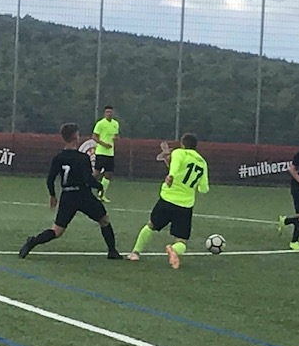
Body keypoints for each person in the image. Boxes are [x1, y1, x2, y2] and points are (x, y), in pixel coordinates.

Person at [19, 123, 122, 260]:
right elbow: (88, 179)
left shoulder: (59, 157)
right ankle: (112, 251)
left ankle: (32, 242)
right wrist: (100, 186)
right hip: (83, 195)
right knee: (104, 220)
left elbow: (50, 179)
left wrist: (52, 195)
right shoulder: (82, 158)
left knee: (57, 231)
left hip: (67, 196)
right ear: (75, 137)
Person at [128, 133, 209, 269]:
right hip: (185, 205)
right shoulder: (202, 162)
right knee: (181, 241)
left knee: (151, 225)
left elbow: (175, 167)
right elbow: (204, 189)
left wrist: (171, 175)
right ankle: (174, 249)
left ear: (182, 144)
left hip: (167, 199)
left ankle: (135, 253)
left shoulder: (179, 153)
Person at [92, 105, 120, 203]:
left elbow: (116, 136)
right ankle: (85, 187)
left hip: (110, 153)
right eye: (107, 112)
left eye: (110, 112)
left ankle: (101, 193)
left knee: (109, 174)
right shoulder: (100, 123)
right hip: (101, 152)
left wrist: (116, 139)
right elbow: (94, 137)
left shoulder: (115, 124)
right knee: (96, 173)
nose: (109, 114)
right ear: (104, 113)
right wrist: (104, 144)